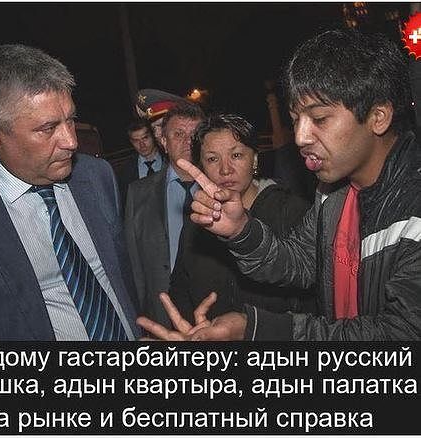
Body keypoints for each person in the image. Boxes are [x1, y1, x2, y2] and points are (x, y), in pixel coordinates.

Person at [137, 29, 421, 341]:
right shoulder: (333, 193)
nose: (300, 137)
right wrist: (241, 231)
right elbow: (300, 262)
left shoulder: (413, 208)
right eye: (295, 120)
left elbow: (400, 334)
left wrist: (258, 329)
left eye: (319, 119)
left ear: (378, 117)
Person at [0, 44, 140, 341]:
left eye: (70, 120)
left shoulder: (96, 175)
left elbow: (119, 278)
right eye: (48, 128)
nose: (71, 141)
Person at [170, 113, 314, 323]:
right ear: (202, 167)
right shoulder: (198, 222)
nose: (225, 169)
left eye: (236, 155)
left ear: (254, 159)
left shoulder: (292, 211)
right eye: (212, 159)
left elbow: (312, 299)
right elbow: (181, 289)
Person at [125, 102, 205, 328]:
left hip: (215, 311)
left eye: (195, 135)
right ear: (163, 141)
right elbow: (135, 263)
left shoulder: (223, 190)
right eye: (178, 134)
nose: (188, 141)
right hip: (162, 312)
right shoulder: (138, 193)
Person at [117, 118, 164, 207]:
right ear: (131, 142)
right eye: (136, 141)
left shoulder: (169, 160)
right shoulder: (125, 171)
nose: (142, 145)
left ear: (153, 136)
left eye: (145, 138)